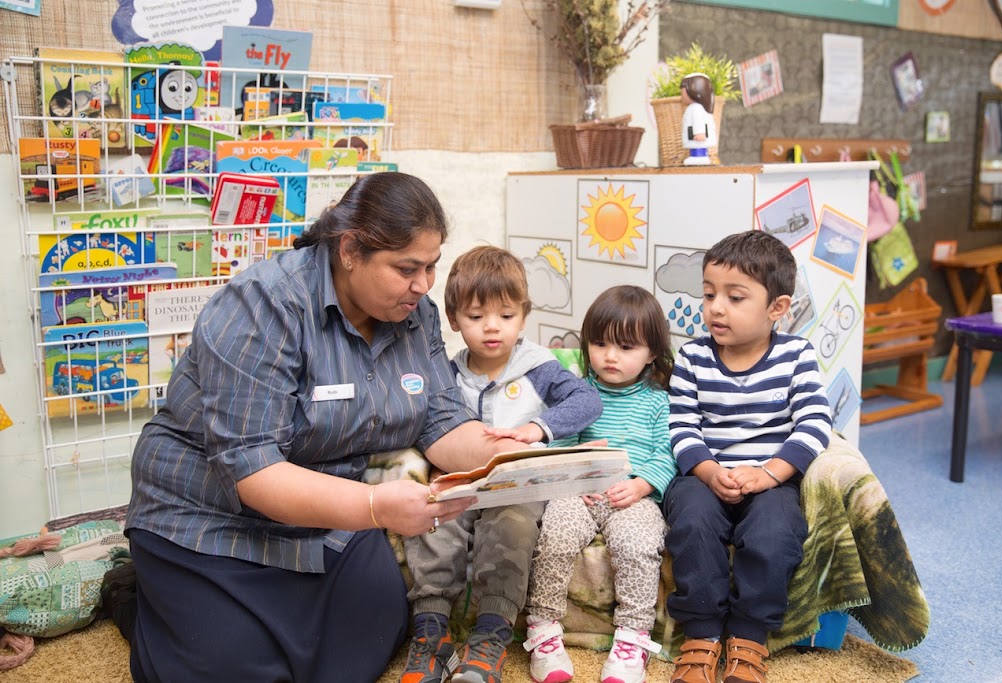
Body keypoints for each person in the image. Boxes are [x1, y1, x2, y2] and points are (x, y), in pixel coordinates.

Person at [124, 172, 533, 683]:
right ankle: (140, 596)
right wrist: (375, 507)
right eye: (407, 268)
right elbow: (253, 472)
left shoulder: (416, 315)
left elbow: (440, 419)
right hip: (211, 517)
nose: (424, 285)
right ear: (349, 251)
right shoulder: (262, 306)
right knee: (232, 668)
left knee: (378, 632)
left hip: (327, 512)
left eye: (431, 266)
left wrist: (508, 457)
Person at [401, 245, 602, 683]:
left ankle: (490, 635)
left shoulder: (539, 368)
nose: (492, 328)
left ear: (523, 317)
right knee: (433, 524)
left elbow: (588, 401)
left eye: (506, 316)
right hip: (463, 484)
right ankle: (431, 632)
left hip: (519, 487)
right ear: (453, 320)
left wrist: (539, 428)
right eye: (476, 318)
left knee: (511, 527)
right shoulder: (448, 374)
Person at [665, 231, 832, 683]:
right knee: (692, 522)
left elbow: (816, 424)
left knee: (776, 532)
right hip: (706, 476)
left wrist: (769, 474)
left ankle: (748, 638)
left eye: (735, 297)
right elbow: (681, 426)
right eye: (709, 294)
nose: (716, 307)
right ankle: (700, 635)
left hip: (770, 480)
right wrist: (708, 470)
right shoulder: (693, 357)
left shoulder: (796, 356)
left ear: (777, 308)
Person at [524, 285, 677, 683]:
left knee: (640, 544)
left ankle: (632, 637)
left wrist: (643, 485)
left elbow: (668, 453)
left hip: (632, 497)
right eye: (600, 343)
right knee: (554, 532)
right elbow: (563, 442)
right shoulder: (578, 392)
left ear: (652, 354)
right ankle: (542, 627)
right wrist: (577, 475)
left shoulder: (660, 401)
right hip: (580, 492)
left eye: (626, 347)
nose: (610, 356)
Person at [680, 72, 717, 167]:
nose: (681, 95)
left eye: (682, 92)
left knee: (697, 149)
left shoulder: (696, 108)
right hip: (695, 140)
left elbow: (698, 122)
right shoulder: (697, 108)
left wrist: (699, 133)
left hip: (698, 139)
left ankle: (699, 157)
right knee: (696, 148)